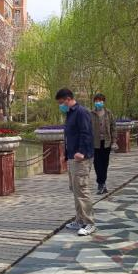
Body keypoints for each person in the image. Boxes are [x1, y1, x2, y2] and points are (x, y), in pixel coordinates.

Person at [56, 88, 96, 236]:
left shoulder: (81, 112)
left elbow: (86, 133)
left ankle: (89, 223)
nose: (61, 106)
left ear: (68, 99)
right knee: (76, 190)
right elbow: (70, 136)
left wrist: (82, 152)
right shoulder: (70, 113)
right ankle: (79, 220)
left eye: (61, 102)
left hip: (81, 158)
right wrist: (67, 155)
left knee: (82, 190)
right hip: (73, 157)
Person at [90, 93, 116, 195]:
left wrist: (114, 141)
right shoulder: (91, 114)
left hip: (106, 142)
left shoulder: (108, 113)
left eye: (100, 101)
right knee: (97, 163)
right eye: (96, 101)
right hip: (95, 143)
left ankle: (103, 183)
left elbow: (113, 127)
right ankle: (100, 183)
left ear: (103, 102)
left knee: (105, 163)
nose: (98, 102)